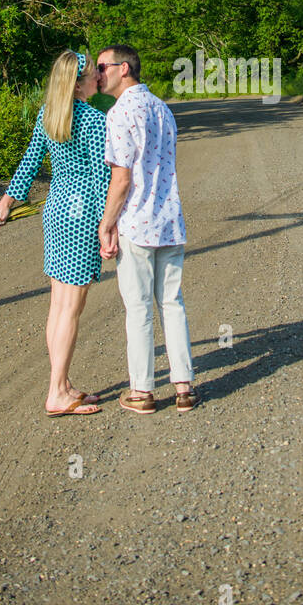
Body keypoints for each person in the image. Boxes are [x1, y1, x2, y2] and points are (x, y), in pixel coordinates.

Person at [0, 50, 109, 416]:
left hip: (57, 212)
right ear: (78, 83)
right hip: (84, 213)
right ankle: (57, 391)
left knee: (59, 304)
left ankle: (63, 382)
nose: (99, 79)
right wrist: (110, 225)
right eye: (93, 75)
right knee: (71, 308)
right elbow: (103, 177)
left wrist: (5, 204)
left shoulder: (49, 116)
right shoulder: (92, 120)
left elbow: (27, 165)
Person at [96, 45, 198, 413]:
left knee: (138, 308)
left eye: (102, 67)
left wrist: (107, 224)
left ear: (123, 69)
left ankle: (142, 391)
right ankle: (184, 386)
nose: (97, 73)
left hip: (137, 224)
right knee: (172, 303)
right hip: (169, 220)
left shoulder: (121, 113)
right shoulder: (162, 108)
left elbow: (121, 178)